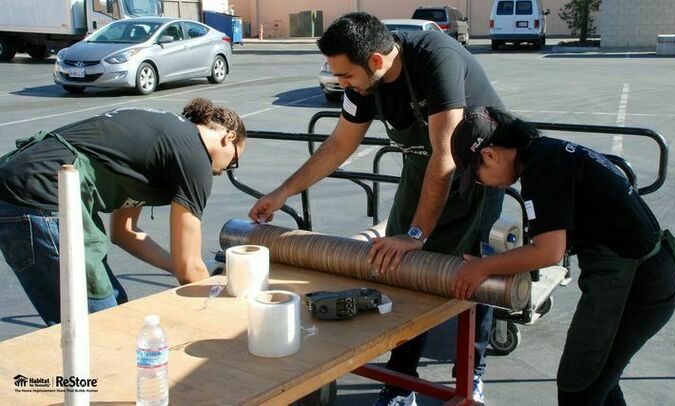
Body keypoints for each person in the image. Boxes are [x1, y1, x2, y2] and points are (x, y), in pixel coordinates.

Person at [248, 12, 503, 405]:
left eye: (346, 76)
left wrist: (416, 235)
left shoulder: (436, 60)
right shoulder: (363, 85)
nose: (341, 84)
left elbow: (446, 155)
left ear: (377, 62)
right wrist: (282, 193)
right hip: (423, 170)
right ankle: (401, 382)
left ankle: (472, 374)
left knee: (472, 272)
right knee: (398, 269)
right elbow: (338, 146)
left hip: (476, 171)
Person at [450, 106, 675, 405]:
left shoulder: (541, 167)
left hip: (635, 285)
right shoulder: (545, 153)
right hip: (649, 276)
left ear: (489, 155)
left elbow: (548, 251)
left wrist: (483, 267)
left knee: (578, 387)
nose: (482, 185)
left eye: (477, 178)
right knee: (600, 381)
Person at [0, 98, 246, 326]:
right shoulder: (195, 155)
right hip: (42, 197)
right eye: (233, 161)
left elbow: (124, 232)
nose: (224, 170)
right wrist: (216, 306)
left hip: (22, 190)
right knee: (101, 324)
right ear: (228, 137)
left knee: (114, 307)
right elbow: (189, 269)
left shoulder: (167, 137)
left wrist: (177, 266)